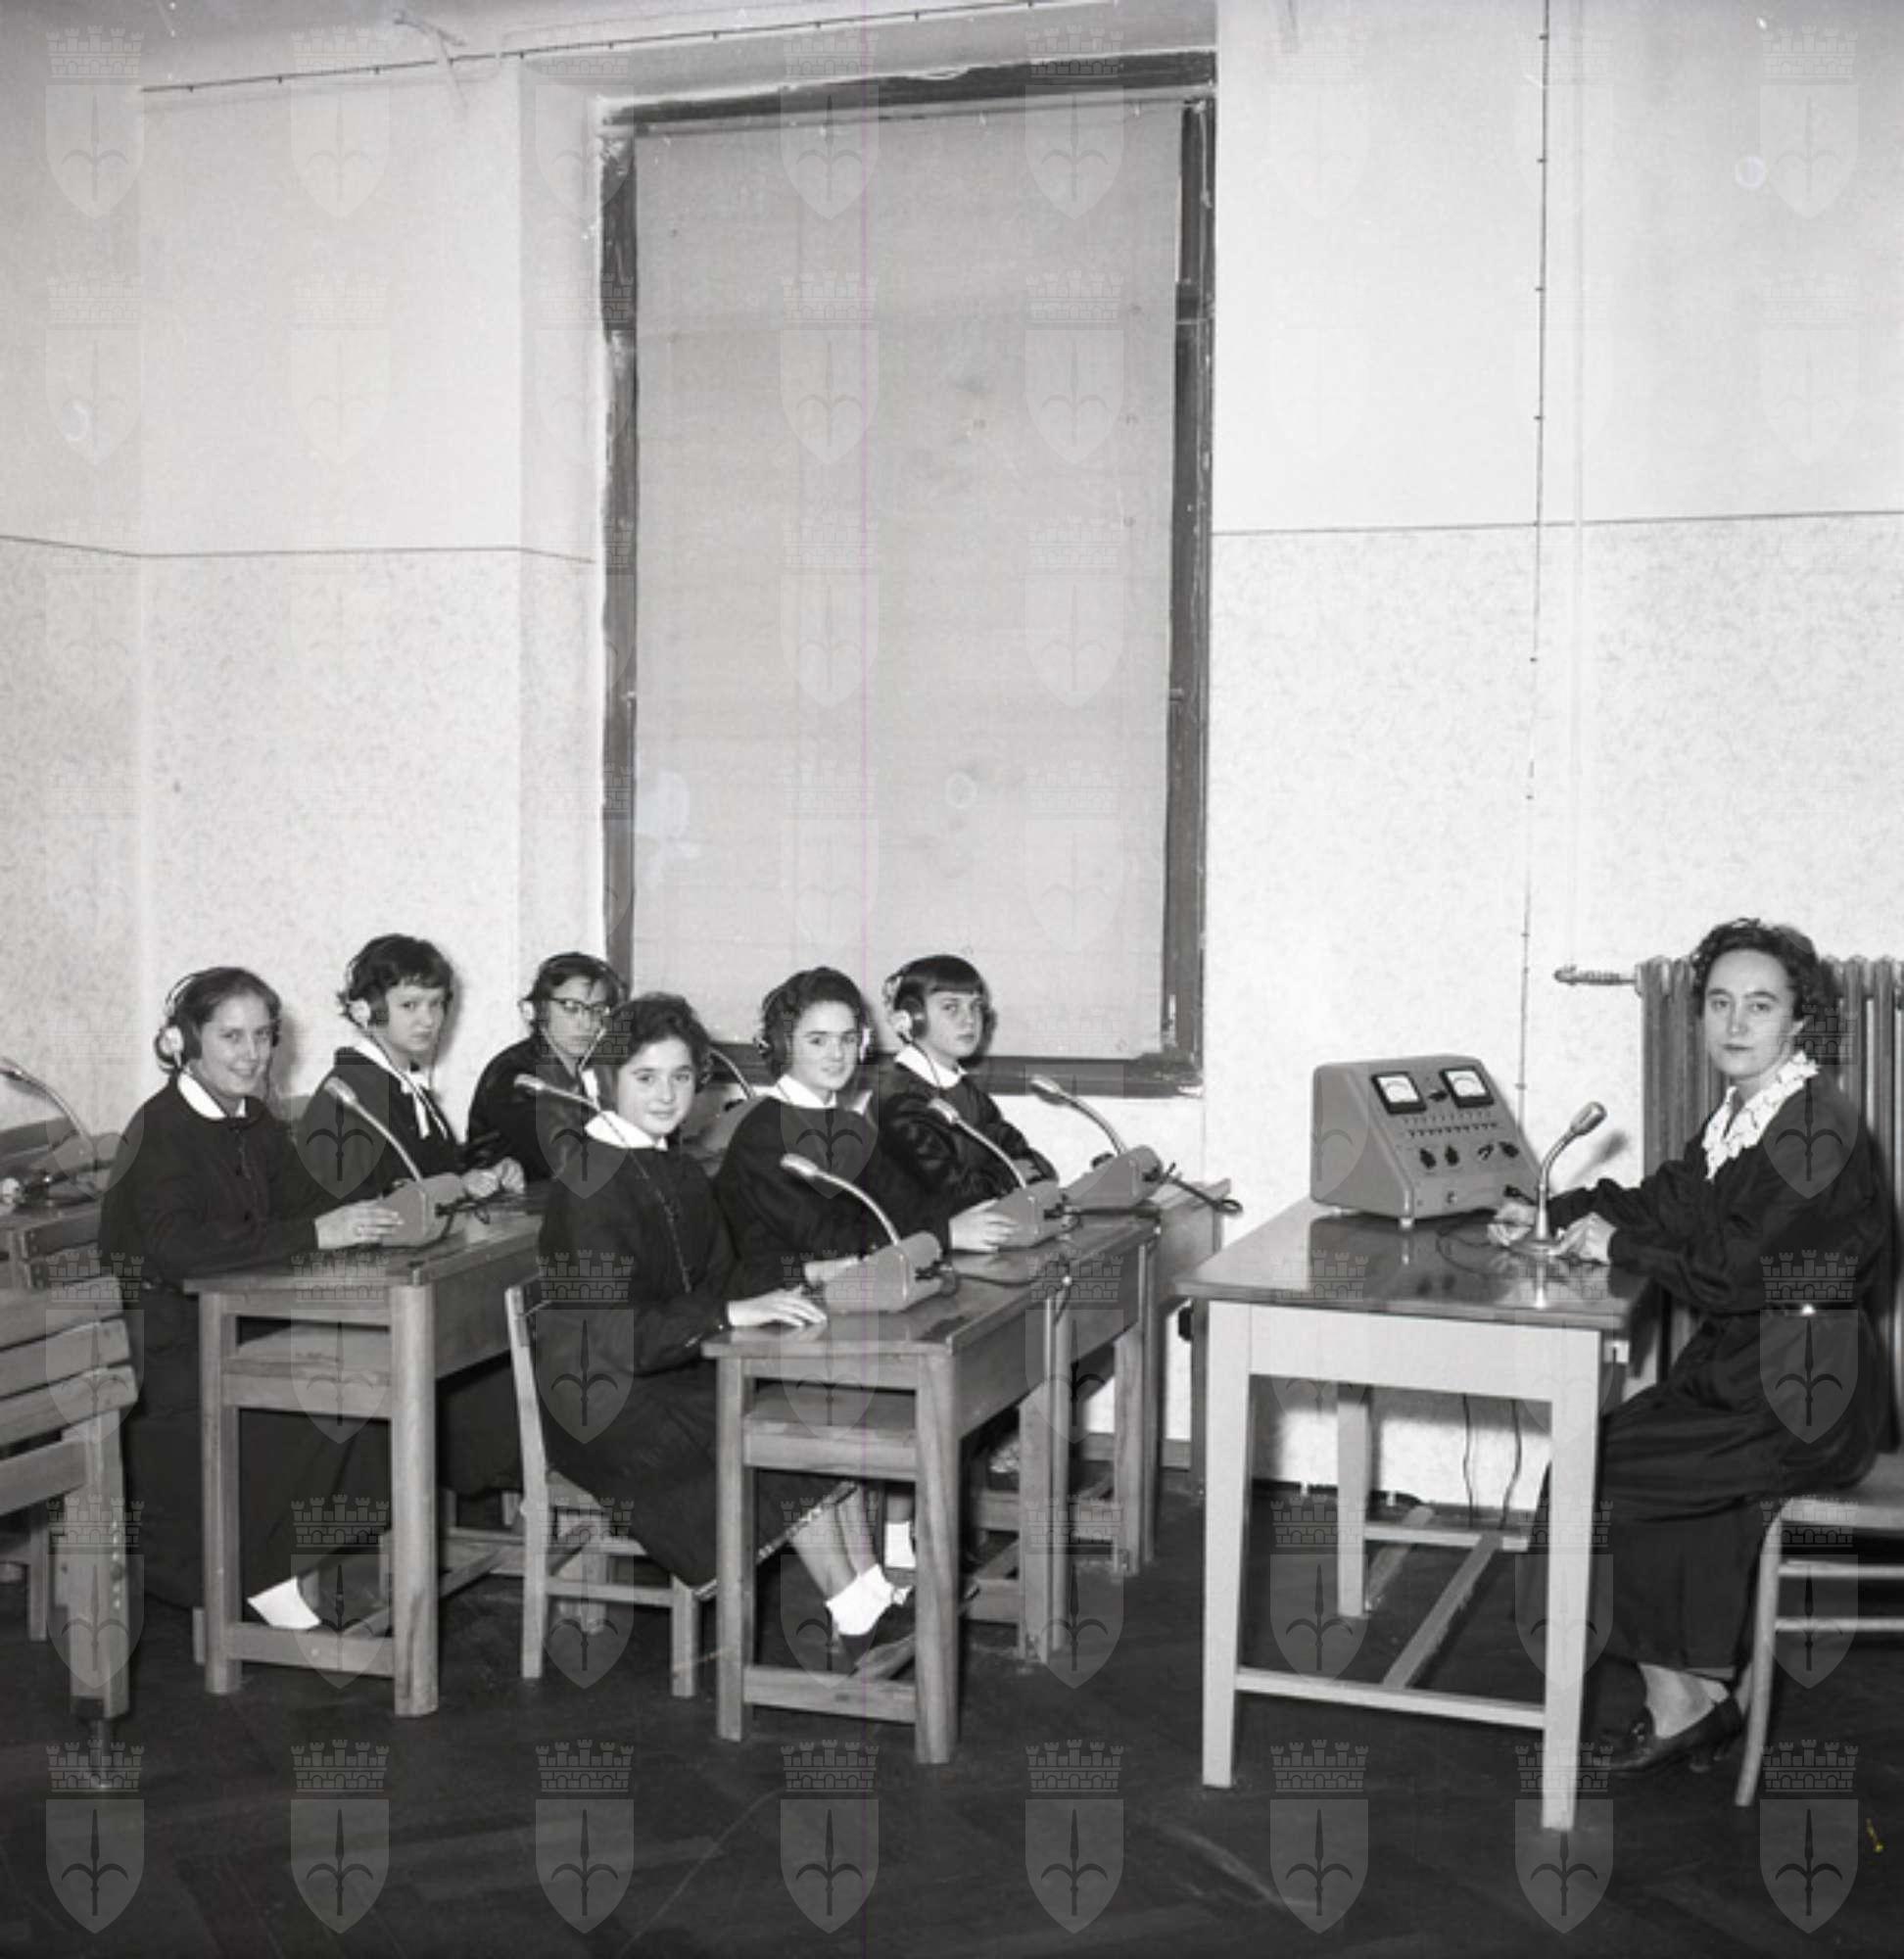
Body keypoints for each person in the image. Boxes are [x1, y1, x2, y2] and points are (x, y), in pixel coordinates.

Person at [1496, 919, 1891, 1775]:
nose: (1735, 1023)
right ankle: (1698, 1694)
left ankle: (1683, 1698)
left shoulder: (1813, 1128)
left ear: (1799, 1020)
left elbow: (1737, 1269)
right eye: (1719, 1003)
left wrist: (1619, 1247)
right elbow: (1670, 1203)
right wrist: (1549, 1213)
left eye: (1760, 1005)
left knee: (1594, 1474)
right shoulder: (1749, 1111)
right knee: (1613, 1456)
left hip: (1802, 1394)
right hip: (1748, 1374)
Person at [537, 992, 909, 1666]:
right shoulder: (587, 1185)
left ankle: (873, 1596)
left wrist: (809, 1274)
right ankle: (858, 1615)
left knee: (817, 1406)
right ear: (607, 1080)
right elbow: (607, 1336)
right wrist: (726, 1315)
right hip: (606, 1401)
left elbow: (725, 1276)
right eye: (645, 1077)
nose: (666, 1094)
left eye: (681, 1076)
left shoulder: (673, 1164)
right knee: (781, 1432)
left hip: (674, 1368)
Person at [98, 968, 403, 1623]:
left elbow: (303, 1203)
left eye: (263, 1036)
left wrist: (382, 1203)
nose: (252, 1054)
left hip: (236, 1326)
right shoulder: (159, 1130)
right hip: (160, 1360)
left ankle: (292, 1560)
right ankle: (261, 1573)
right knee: (324, 1393)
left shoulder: (252, 1119)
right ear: (185, 1042)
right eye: (231, 1036)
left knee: (368, 1384)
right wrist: (318, 1233)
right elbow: (178, 1249)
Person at [294, 932, 526, 1501]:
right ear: (366, 1011)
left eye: (437, 1003)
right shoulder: (351, 1095)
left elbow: (427, 1176)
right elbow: (359, 1214)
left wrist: (484, 1174)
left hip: (423, 1288)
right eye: (410, 1005)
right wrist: (453, 1187)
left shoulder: (400, 1086)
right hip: (370, 1308)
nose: (428, 1019)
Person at [715, 966, 1015, 1298]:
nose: (837, 1054)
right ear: (784, 1046)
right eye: (818, 1041)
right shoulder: (762, 1136)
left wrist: (971, 1215)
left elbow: (906, 1204)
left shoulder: (849, 1125)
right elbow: (828, 1242)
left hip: (847, 1290)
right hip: (780, 1303)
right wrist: (945, 1233)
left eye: (848, 1039)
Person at [874, 953, 1056, 1204]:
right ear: (913, 1018)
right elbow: (953, 1195)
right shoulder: (900, 1099)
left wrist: (1014, 1172)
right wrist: (1013, 1174)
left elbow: (1030, 1159)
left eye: (975, 1006)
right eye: (951, 1007)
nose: (969, 1019)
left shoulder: (964, 1089)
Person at [465, 952, 625, 1181]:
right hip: (508, 1201)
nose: (587, 1023)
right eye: (571, 1007)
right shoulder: (515, 1075)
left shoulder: (595, 1069)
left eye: (597, 1010)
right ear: (540, 1009)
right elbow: (565, 1159)